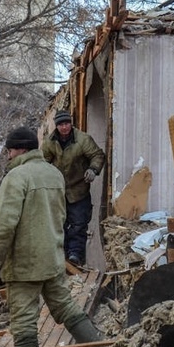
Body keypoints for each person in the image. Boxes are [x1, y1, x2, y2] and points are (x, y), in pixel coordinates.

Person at [0, 126, 102, 347]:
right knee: (66, 307)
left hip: (23, 263)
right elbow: (61, 216)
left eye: (10, 151)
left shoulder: (16, 177)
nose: (8, 156)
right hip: (52, 257)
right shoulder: (54, 174)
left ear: (20, 149)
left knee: (24, 320)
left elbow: (4, 225)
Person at [41, 109, 105, 266]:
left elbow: (97, 155)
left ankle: (75, 256)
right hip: (58, 191)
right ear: (56, 126)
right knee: (58, 224)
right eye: (61, 124)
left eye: (67, 123)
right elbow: (42, 162)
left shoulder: (82, 139)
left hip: (78, 190)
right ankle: (60, 257)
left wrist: (93, 170)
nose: (64, 127)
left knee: (78, 224)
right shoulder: (50, 142)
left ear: (71, 123)